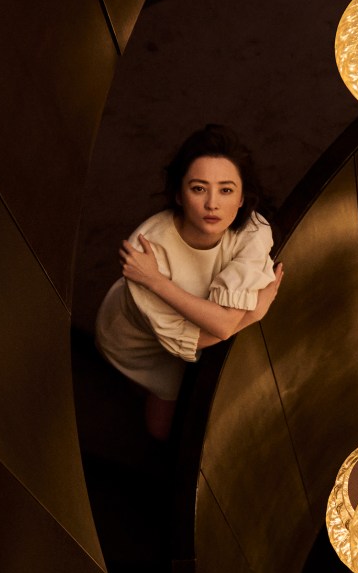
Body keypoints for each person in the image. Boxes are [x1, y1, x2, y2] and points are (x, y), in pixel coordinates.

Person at [95, 124, 284, 440]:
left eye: (226, 190)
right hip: (138, 339)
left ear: (241, 198)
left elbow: (223, 326)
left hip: (189, 327)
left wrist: (158, 281)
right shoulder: (146, 254)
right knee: (161, 429)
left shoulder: (253, 230)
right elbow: (214, 331)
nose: (212, 204)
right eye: (198, 188)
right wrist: (252, 313)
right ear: (178, 195)